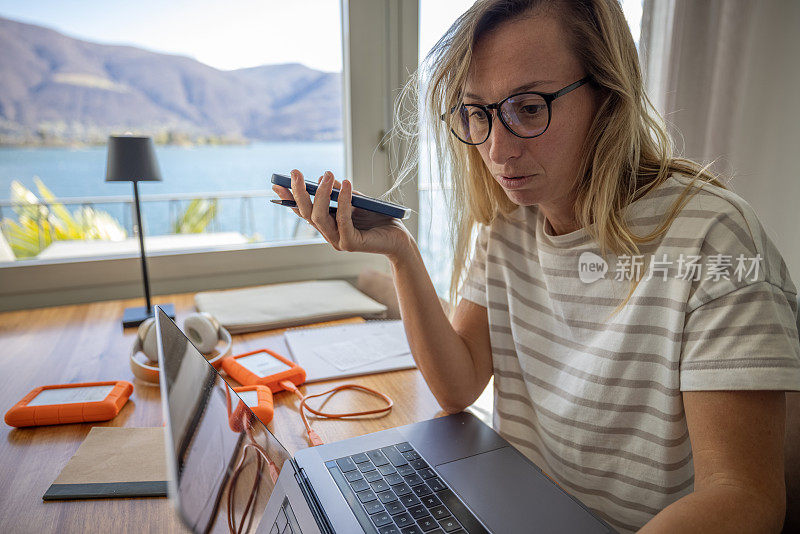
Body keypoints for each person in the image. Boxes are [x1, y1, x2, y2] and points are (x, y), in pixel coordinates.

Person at [273, 0, 800, 531]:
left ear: (608, 96)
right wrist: (400, 251)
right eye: (478, 113)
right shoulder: (509, 226)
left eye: (529, 108)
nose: (499, 150)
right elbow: (458, 387)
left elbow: (744, 500)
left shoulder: (712, 240)